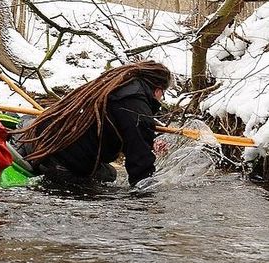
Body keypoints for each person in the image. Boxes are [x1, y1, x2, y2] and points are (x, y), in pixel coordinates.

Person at [14, 60, 172, 186]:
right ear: (157, 90)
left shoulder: (112, 85)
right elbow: (140, 160)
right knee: (109, 176)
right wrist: (146, 193)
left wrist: (150, 143)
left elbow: (115, 130)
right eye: (162, 95)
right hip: (61, 163)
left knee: (110, 173)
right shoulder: (136, 106)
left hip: (41, 139)